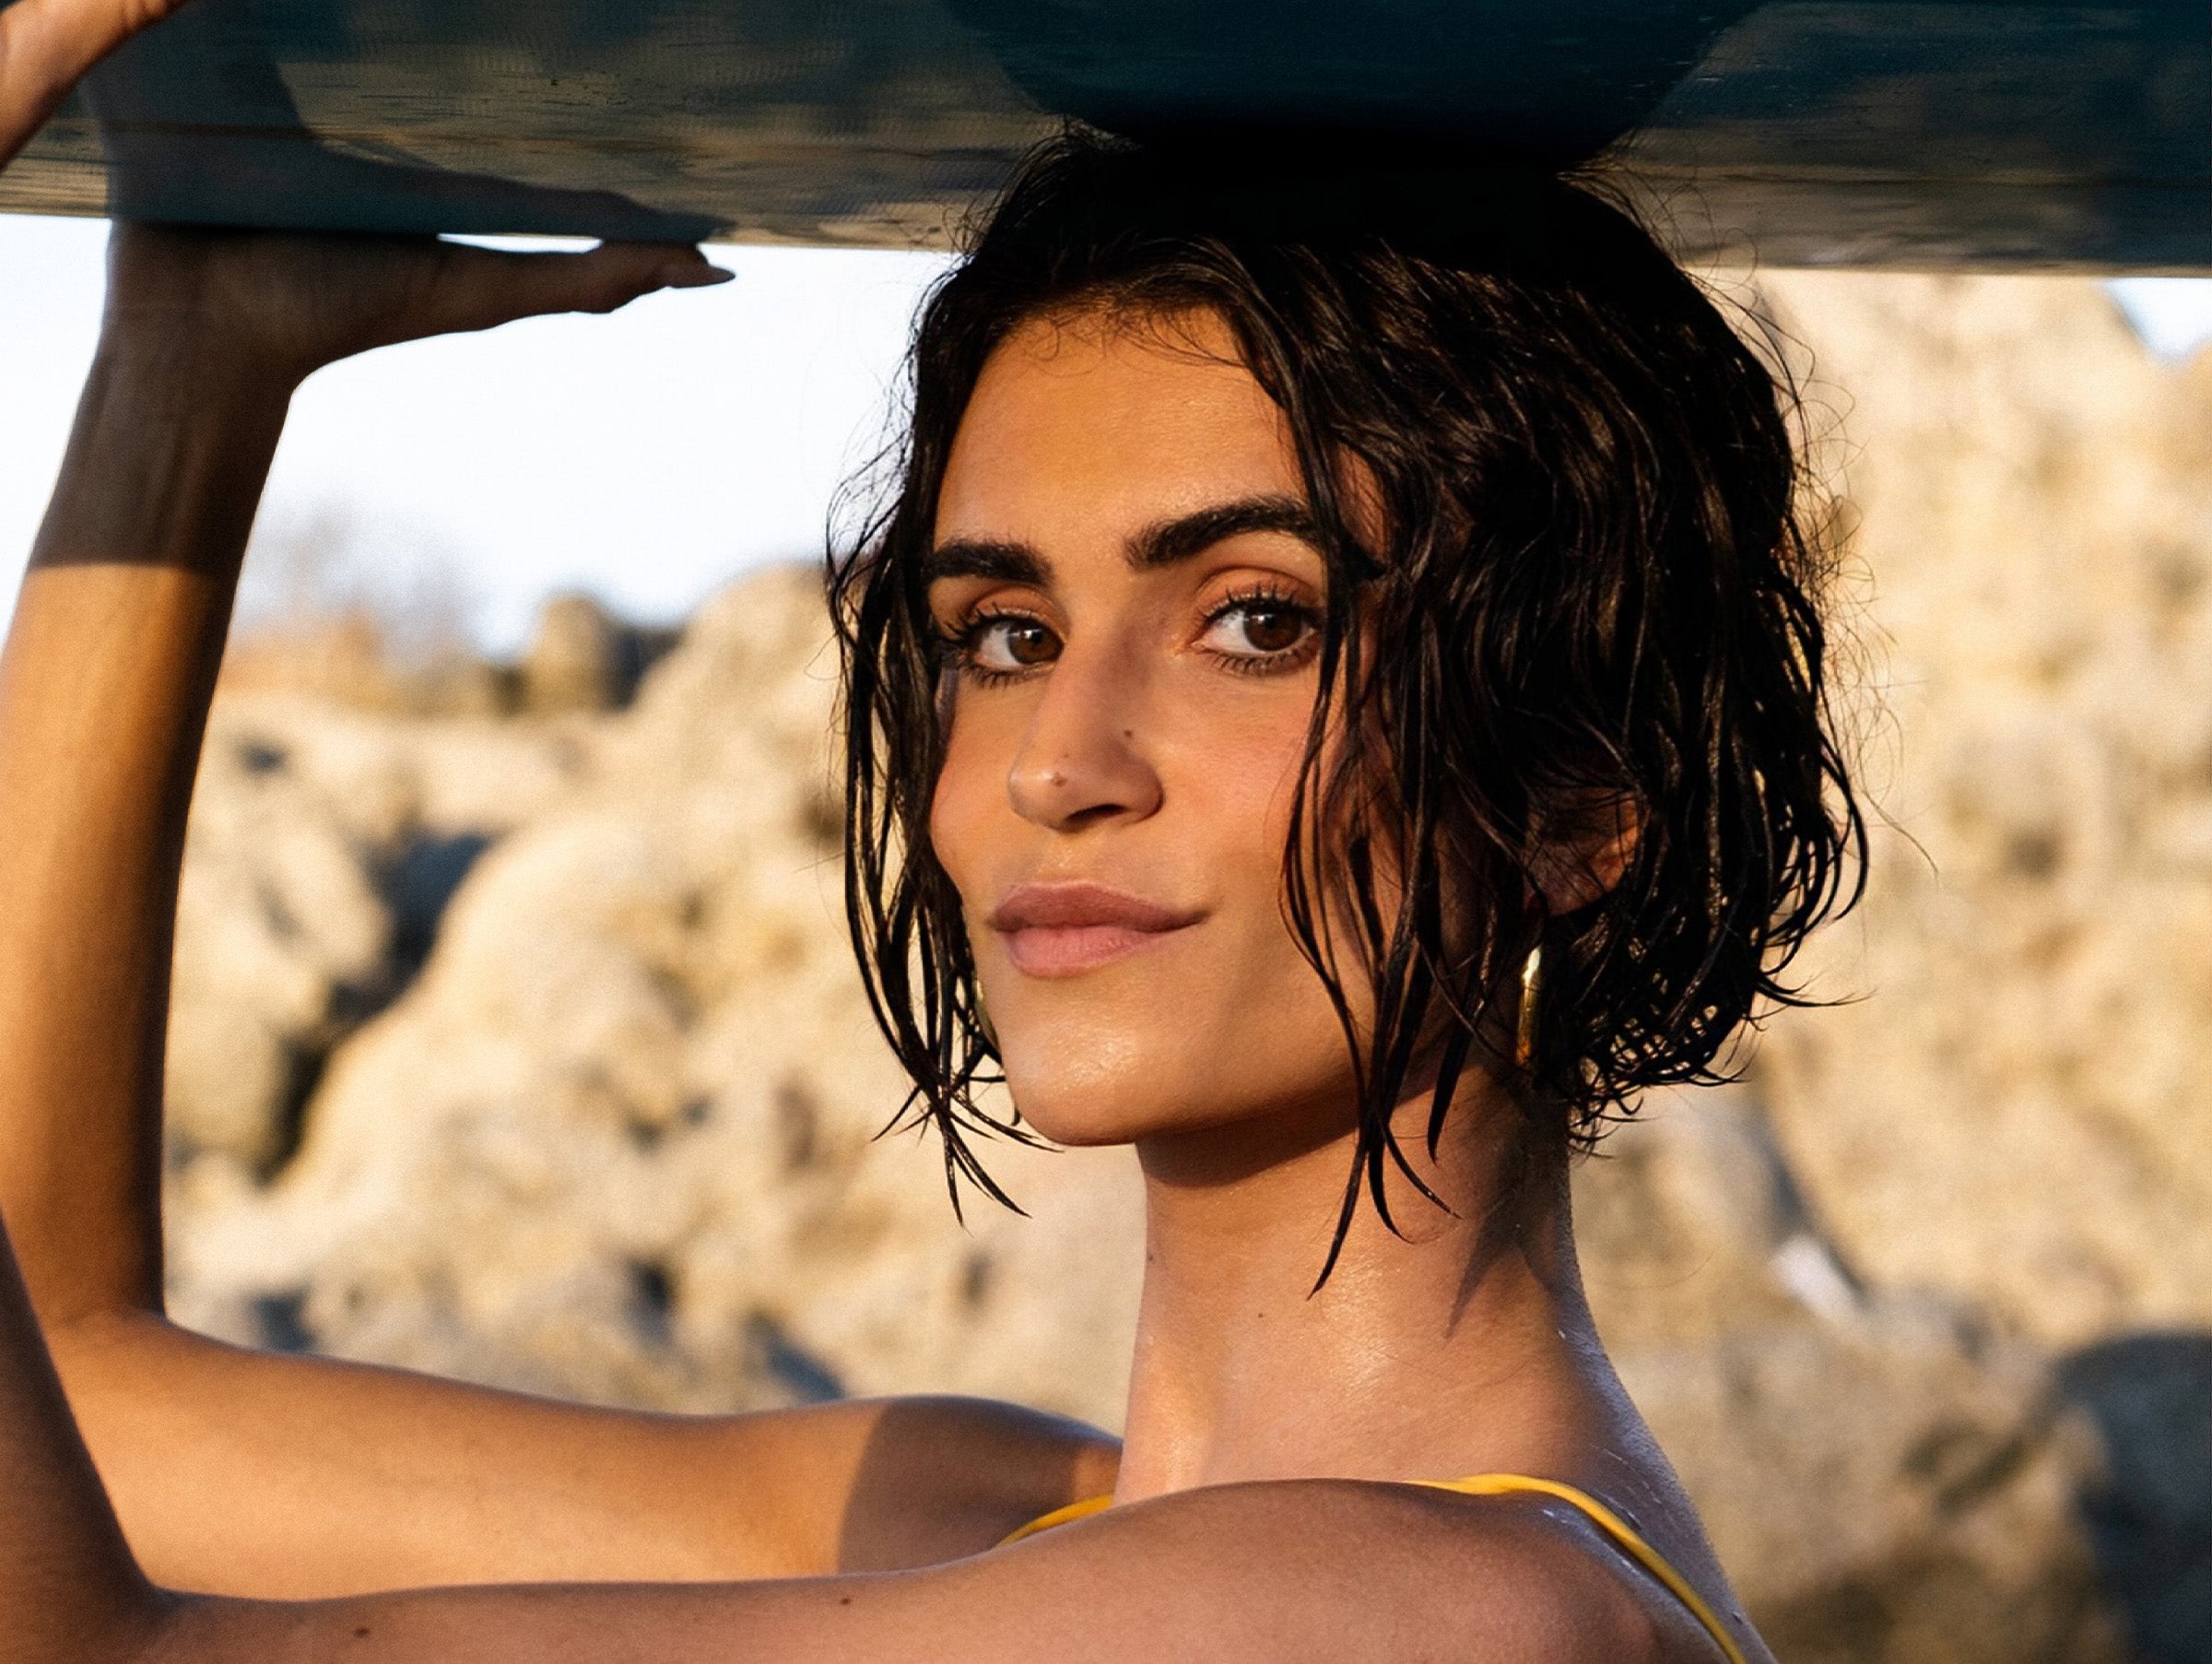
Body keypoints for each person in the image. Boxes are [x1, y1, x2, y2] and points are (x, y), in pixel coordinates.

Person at [0, 89, 1859, 1659]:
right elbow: (72, 1386)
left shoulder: (1426, 1615)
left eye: (1254, 620)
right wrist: (187, 366)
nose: (1062, 763)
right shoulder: (1019, 1522)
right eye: (1009, 632)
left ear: (1577, 800)